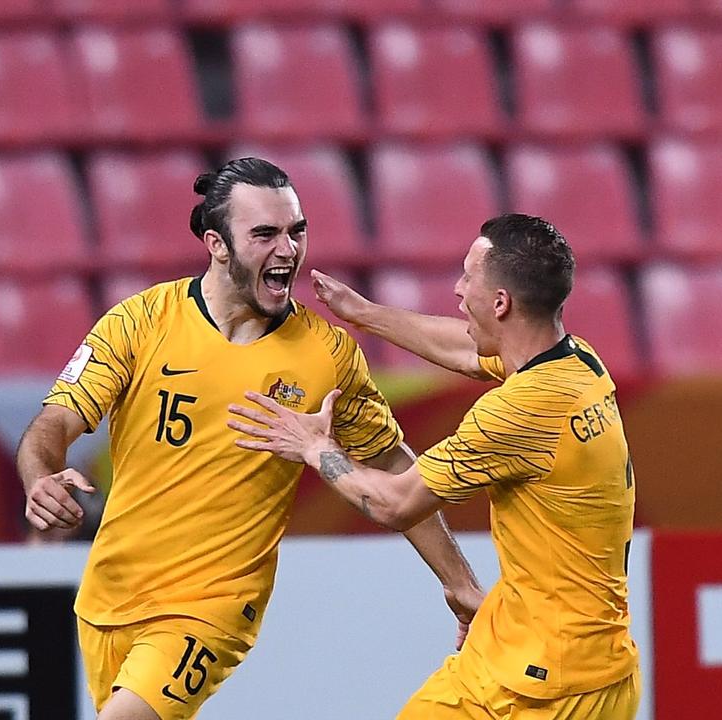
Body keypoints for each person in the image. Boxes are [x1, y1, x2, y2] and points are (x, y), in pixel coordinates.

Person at [15, 158, 483, 720]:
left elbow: (392, 466)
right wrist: (41, 476)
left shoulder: (327, 356)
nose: (287, 250)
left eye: (297, 230)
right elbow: (54, 422)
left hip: (211, 608)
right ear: (217, 243)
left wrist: (459, 582)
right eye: (265, 234)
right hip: (108, 599)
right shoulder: (141, 322)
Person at [228, 213, 640, 720]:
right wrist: (365, 314)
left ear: (501, 303)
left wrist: (315, 446)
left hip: (549, 689)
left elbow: (396, 503)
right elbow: (469, 350)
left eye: (468, 278)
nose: (458, 289)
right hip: (547, 652)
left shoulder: (519, 411)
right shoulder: (578, 362)